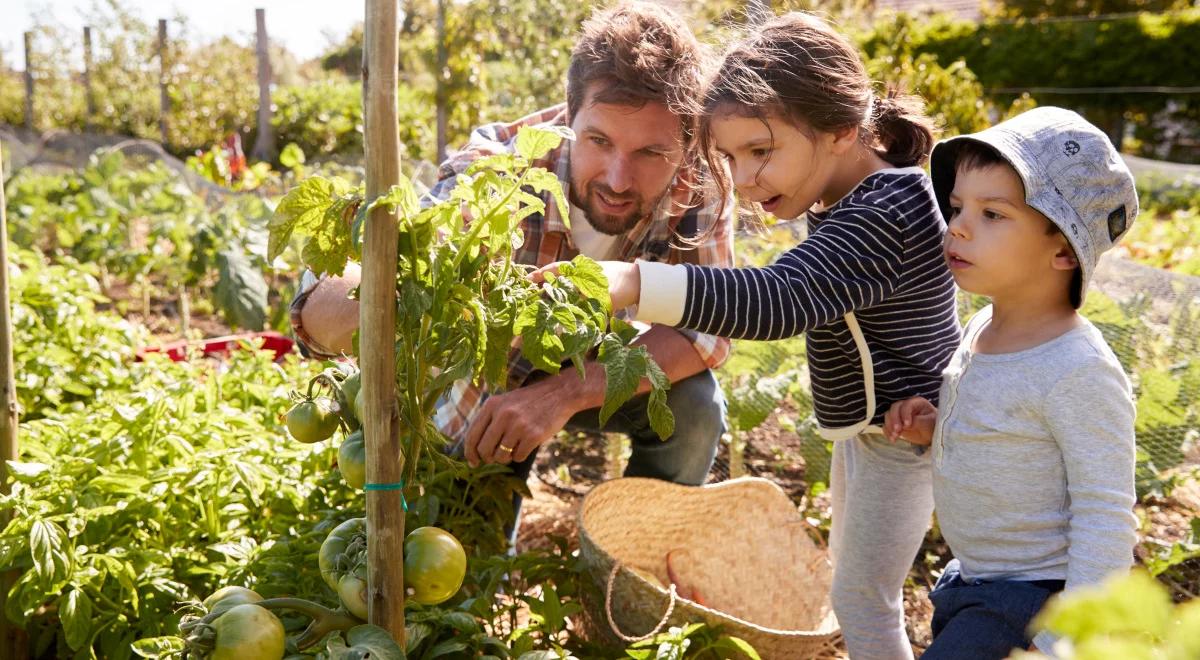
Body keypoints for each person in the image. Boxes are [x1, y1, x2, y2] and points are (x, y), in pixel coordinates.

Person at [537, 12, 962, 659]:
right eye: (730, 157)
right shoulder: (852, 198)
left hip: (906, 437)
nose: (744, 178)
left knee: (862, 599)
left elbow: (776, 301)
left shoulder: (886, 214)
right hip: (879, 433)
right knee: (858, 586)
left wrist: (629, 281)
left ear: (843, 129)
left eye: (760, 151)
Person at [290, 2, 734, 511]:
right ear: (569, 116)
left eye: (650, 154)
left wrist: (562, 394)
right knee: (464, 554)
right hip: (488, 385)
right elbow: (331, 297)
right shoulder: (502, 169)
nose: (617, 178)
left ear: (685, 143)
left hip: (594, 360)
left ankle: (637, 557)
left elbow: (705, 329)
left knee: (694, 407)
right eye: (599, 140)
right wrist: (393, 291)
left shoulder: (703, 181)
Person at [882, 106, 1139, 659]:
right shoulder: (982, 326)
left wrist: (1064, 642)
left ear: (1064, 249)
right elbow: (1003, 430)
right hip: (972, 581)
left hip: (1034, 601)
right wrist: (938, 428)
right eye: (957, 207)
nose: (958, 226)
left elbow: (1106, 516)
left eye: (993, 214)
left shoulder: (1078, 370)